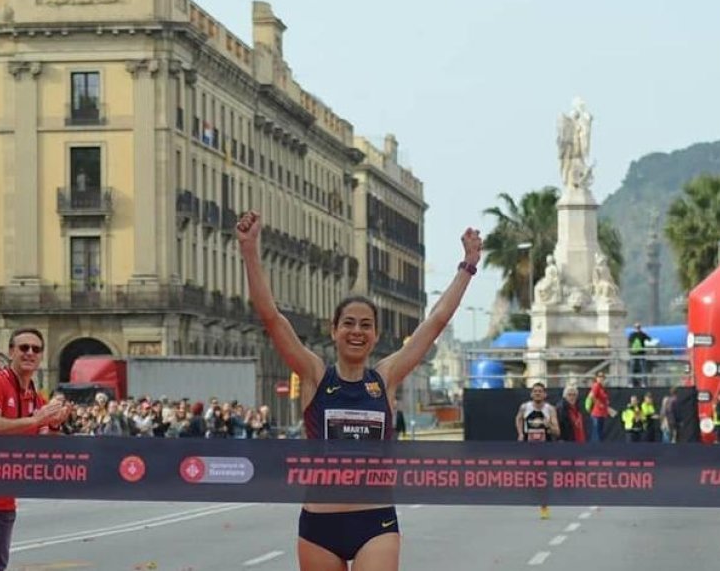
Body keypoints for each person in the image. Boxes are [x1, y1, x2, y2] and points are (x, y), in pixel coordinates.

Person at [237, 210, 481, 571]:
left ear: (376, 336)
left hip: (375, 522)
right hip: (319, 524)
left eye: (366, 325)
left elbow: (435, 322)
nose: (357, 331)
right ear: (333, 330)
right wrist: (249, 251)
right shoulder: (314, 375)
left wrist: (468, 267)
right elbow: (271, 317)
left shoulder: (386, 377)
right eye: (348, 323)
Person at [0, 328, 70, 571]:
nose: (30, 353)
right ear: (11, 352)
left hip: (5, 495)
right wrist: (36, 420)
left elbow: (42, 443)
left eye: (36, 349)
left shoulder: (36, 396)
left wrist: (57, 424)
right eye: (23, 348)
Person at [515, 382, 560, 519]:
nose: (537, 393)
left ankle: (544, 507)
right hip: (529, 446)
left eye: (540, 391)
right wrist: (521, 433)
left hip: (544, 447)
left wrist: (549, 425)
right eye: (535, 391)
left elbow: (557, 432)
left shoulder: (550, 409)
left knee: (542, 478)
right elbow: (518, 419)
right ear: (531, 394)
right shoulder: (525, 407)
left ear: (545, 394)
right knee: (529, 477)